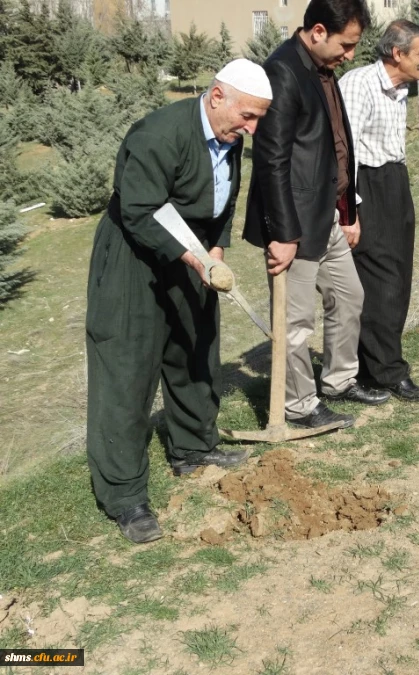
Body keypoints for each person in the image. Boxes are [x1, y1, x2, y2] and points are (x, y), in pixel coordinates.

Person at [85, 59, 273, 544]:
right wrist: (194, 259)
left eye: (257, 120)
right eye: (247, 116)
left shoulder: (230, 138)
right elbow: (140, 211)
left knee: (195, 347)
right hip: (133, 255)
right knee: (127, 368)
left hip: (193, 252)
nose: (251, 129)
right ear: (216, 96)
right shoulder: (157, 135)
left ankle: (192, 448)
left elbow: (222, 201)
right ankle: (125, 496)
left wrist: (216, 250)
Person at [245, 0, 390, 433]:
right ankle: (299, 405)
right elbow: (271, 161)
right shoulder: (283, 72)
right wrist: (284, 234)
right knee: (294, 322)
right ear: (319, 31)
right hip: (295, 225)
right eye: (346, 45)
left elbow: (336, 148)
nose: (350, 55)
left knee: (350, 297)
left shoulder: (323, 72)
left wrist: (348, 212)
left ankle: (339, 380)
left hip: (326, 217)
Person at [338, 20, 419, 402]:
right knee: (380, 281)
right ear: (398, 54)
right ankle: (386, 370)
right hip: (366, 188)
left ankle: (375, 363)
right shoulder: (359, 84)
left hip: (395, 183)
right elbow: (345, 152)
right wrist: (349, 210)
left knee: (399, 277)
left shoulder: (402, 89)